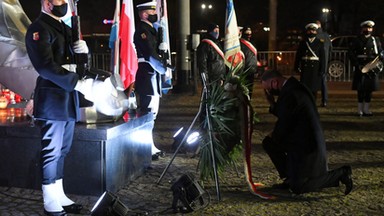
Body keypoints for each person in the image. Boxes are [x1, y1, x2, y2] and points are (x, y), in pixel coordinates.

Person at [25, 0, 94, 215]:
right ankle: (49, 200)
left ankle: (59, 194)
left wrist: (85, 52)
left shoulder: (66, 28)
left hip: (68, 95)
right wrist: (76, 82)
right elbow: (45, 66)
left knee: (62, 150)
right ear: (46, 3)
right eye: (60, 0)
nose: (63, 4)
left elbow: (77, 61)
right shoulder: (39, 28)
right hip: (52, 96)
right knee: (51, 151)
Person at [260, 70, 353, 195]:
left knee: (300, 187)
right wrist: (272, 103)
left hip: (308, 145)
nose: (269, 92)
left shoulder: (292, 93)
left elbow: (285, 121)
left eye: (268, 89)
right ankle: (290, 178)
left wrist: (275, 136)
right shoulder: (292, 88)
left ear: (275, 82)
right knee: (269, 143)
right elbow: (287, 112)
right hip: (301, 139)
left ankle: (340, 174)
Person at [133, 1, 167, 160]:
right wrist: (162, 67)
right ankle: (145, 147)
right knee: (147, 112)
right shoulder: (142, 30)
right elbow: (149, 53)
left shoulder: (151, 30)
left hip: (152, 73)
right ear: (144, 14)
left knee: (152, 113)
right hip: (147, 73)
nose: (155, 14)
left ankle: (149, 145)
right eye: (152, 12)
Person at [348, 20, 382, 117]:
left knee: (369, 89)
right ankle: (360, 110)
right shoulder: (357, 40)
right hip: (361, 66)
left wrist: (381, 55)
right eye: (366, 28)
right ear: (362, 28)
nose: (368, 29)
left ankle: (366, 109)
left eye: (370, 28)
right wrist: (356, 64)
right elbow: (350, 53)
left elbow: (379, 52)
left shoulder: (375, 40)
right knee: (360, 89)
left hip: (371, 66)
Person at [294, 23, 326, 101]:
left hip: (315, 68)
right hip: (305, 67)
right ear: (307, 32)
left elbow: (322, 58)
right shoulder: (303, 43)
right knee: (304, 88)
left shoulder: (320, 43)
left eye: (313, 31)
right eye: (310, 31)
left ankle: (313, 104)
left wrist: (322, 69)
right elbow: (298, 55)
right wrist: (296, 66)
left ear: (316, 32)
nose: (311, 32)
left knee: (314, 88)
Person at [315, 20, 332, 107]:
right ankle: (324, 101)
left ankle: (313, 100)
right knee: (323, 83)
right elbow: (331, 49)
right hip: (324, 63)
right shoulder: (326, 35)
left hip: (315, 63)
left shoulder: (315, 36)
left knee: (313, 83)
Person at [239, 26, 258, 98]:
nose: (249, 34)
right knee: (244, 90)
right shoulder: (240, 43)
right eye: (247, 33)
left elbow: (254, 57)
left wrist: (256, 70)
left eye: (250, 33)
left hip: (252, 70)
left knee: (250, 90)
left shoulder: (253, 43)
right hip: (244, 70)